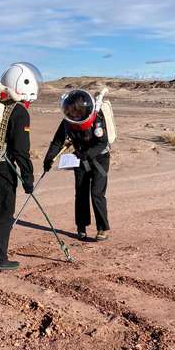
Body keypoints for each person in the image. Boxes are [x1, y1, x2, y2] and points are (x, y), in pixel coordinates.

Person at [0, 62, 42, 271]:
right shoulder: (19, 111)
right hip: (1, 170)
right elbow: (21, 150)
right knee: (2, 214)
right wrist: (28, 178)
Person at [43, 88, 110, 241]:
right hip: (80, 159)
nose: (73, 115)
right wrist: (49, 158)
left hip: (100, 159)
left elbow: (102, 143)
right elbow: (57, 141)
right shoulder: (67, 122)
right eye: (70, 112)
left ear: (82, 109)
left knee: (96, 193)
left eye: (76, 112)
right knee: (80, 192)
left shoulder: (97, 118)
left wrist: (86, 154)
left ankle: (102, 229)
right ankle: (81, 226)